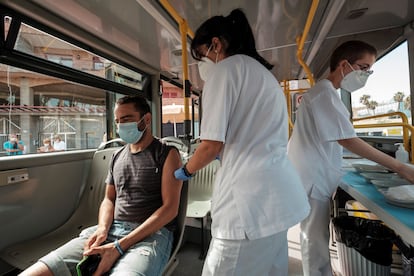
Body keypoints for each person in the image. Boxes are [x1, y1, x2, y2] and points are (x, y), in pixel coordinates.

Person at [174, 9, 310, 276]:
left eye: (201, 56)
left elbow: (211, 145)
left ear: (216, 44)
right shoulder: (264, 77)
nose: (202, 65)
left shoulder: (224, 72)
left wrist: (183, 172)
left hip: (246, 204)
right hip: (277, 197)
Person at [287, 40, 414, 276]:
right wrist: (402, 168)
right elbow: (347, 139)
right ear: (344, 65)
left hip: (313, 177)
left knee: (314, 239)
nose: (366, 74)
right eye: (363, 67)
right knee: (314, 242)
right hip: (313, 181)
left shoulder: (326, 94)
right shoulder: (323, 94)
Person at [21, 95, 183, 276]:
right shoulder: (117, 156)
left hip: (151, 235)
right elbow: (109, 198)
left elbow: (170, 209)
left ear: (146, 119)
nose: (121, 125)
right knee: (37, 272)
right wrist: (102, 229)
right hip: (113, 228)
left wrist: (120, 246)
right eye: (117, 121)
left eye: (127, 119)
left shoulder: (167, 154)